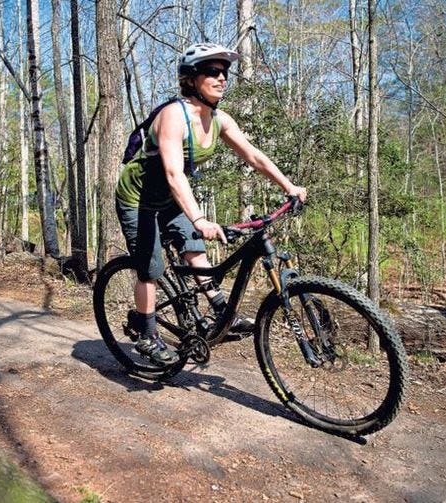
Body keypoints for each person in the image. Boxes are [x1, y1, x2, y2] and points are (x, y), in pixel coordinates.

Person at [115, 42, 307, 365]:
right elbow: (175, 174)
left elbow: (253, 156)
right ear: (191, 79)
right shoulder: (173, 117)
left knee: (194, 249)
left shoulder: (218, 119)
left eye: (225, 72)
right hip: (138, 199)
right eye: (213, 72)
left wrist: (289, 186)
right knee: (150, 267)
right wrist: (201, 219)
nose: (222, 78)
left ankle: (220, 310)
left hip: (169, 199)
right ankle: (147, 336)